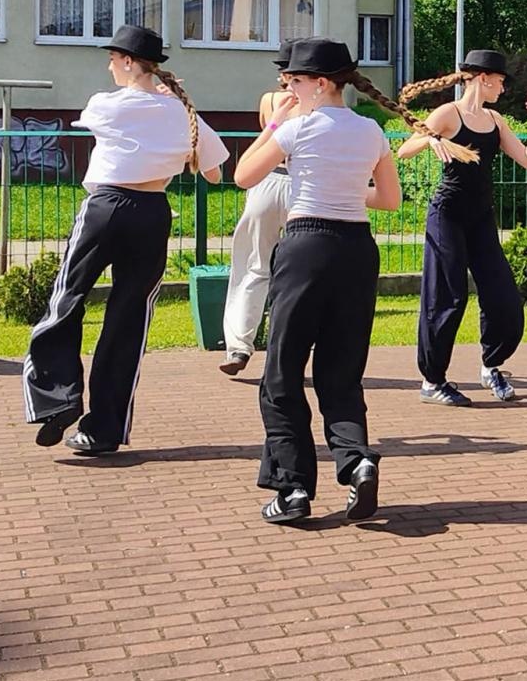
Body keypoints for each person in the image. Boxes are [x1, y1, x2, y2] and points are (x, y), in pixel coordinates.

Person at [233, 37, 425, 524]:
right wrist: (343, 187)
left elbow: (243, 175)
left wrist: (278, 121)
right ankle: (356, 460)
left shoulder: (298, 127)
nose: (289, 89)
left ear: (320, 83)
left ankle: (293, 488)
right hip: (357, 251)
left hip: (305, 247)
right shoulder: (371, 132)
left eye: (295, 82)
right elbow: (389, 200)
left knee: (282, 372)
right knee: (341, 373)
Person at [23, 25, 229, 454]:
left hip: (106, 206)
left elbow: (97, 122)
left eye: (115, 58)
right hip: (153, 213)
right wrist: (173, 114)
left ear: (131, 62)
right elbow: (214, 171)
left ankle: (56, 400)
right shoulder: (184, 113)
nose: (110, 65)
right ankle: (104, 430)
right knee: (129, 320)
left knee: (66, 298)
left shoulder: (105, 104)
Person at [396, 48, 527, 406]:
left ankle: (491, 366)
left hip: (481, 218)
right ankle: (432, 380)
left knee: (505, 299)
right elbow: (405, 150)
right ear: (483, 78)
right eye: (500, 80)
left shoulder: (496, 121)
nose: (503, 87)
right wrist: (433, 138)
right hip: (447, 215)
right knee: (447, 298)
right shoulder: (448, 114)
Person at [220, 41, 296, 375]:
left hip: (267, 180)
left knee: (252, 264)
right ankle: (289, 347)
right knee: (296, 272)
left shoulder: (270, 101)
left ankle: (238, 346)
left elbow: (266, 140)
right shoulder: (319, 104)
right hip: (302, 185)